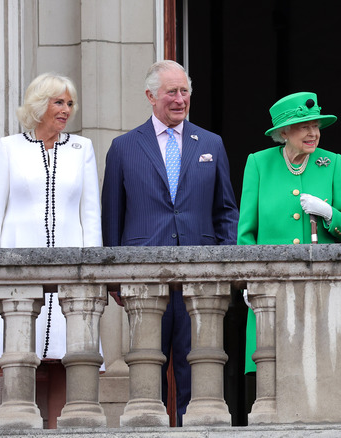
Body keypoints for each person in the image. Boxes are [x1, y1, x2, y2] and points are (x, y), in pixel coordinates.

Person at [101, 60, 239, 425]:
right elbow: (112, 217)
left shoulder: (211, 143)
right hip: (144, 278)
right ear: (150, 96)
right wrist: (115, 278)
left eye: (185, 92)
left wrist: (225, 265)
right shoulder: (123, 147)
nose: (180, 100)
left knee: (199, 367)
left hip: (201, 277)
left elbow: (226, 210)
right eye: (171, 92)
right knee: (148, 370)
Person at [0, 72, 101, 428]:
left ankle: (59, 433)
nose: (66, 110)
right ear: (38, 105)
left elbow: (90, 215)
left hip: (70, 272)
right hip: (18, 269)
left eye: (70, 103)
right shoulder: (9, 148)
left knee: (67, 357)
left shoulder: (82, 149)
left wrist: (93, 273)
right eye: (58, 102)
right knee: (20, 357)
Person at [238, 91, 341, 403]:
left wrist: (329, 213)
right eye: (304, 126)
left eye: (315, 125)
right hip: (271, 291)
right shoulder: (259, 164)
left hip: (320, 290)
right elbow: (246, 233)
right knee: (269, 375)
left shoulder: (331, 163)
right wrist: (249, 280)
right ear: (284, 132)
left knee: (320, 377)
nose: (312, 132)